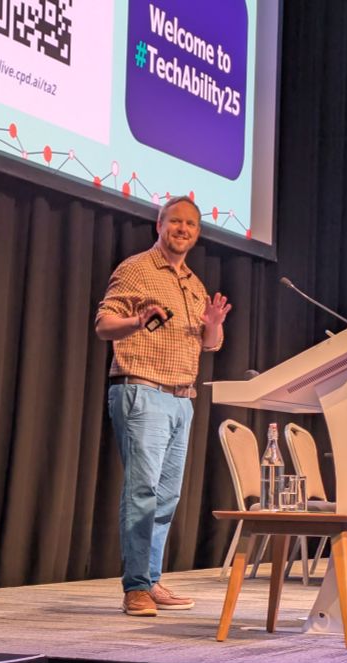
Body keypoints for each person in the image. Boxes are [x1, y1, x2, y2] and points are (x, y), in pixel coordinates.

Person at [95, 196, 232, 617]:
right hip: (142, 392)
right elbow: (103, 325)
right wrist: (136, 321)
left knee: (167, 496)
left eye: (191, 224)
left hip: (181, 399)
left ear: (197, 232)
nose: (183, 229)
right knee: (142, 491)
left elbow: (210, 345)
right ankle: (135, 586)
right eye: (176, 221)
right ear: (160, 224)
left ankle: (151, 580)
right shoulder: (136, 269)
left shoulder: (194, 283)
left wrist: (213, 326)